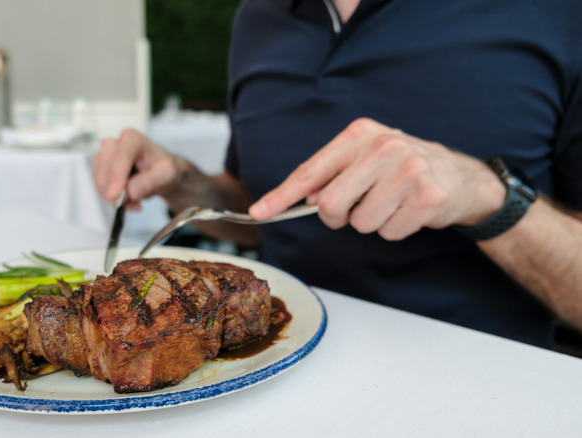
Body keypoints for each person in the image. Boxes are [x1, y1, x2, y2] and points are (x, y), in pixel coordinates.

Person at [93, 0, 582, 348]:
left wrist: (485, 196)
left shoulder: (556, 15)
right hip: (274, 362)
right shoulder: (258, 17)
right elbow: (258, 210)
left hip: (478, 383)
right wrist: (183, 183)